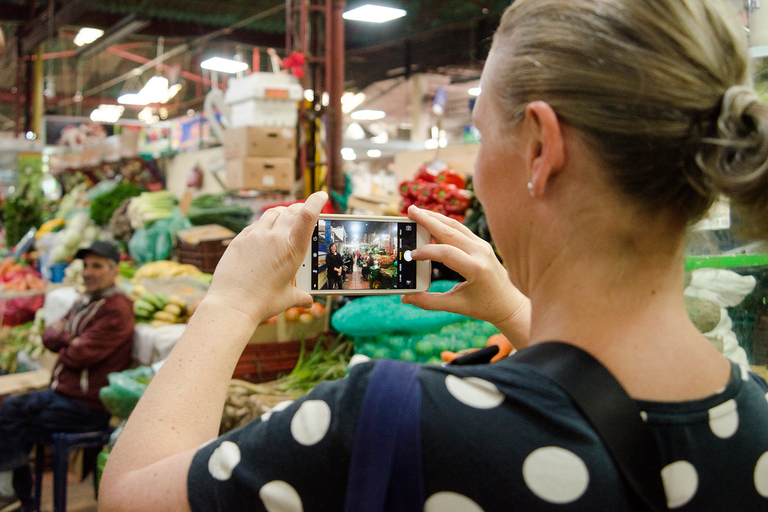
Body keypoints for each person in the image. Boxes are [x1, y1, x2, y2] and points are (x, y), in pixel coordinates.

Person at [99, 0, 768, 510]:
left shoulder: (389, 419)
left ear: (540, 147)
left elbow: (129, 496)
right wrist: (510, 305)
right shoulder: (756, 421)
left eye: (480, 135)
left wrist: (231, 300)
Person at [0, 241, 134, 511]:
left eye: (97, 266)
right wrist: (68, 340)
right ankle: (16, 495)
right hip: (61, 395)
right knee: (11, 412)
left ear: (114, 270)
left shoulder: (117, 309)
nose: (88, 272)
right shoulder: (84, 301)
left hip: (85, 406)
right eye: (85, 265)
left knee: (13, 420)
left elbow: (79, 355)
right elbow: (49, 335)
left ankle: (14, 494)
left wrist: (68, 342)